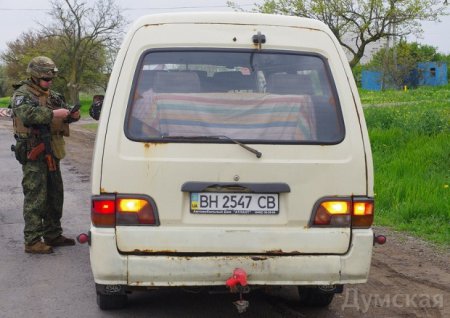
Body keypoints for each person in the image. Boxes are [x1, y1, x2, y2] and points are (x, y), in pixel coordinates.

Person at [11, 56, 81, 254]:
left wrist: (72, 116)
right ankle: (32, 241)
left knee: (55, 193)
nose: (49, 82)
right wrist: (53, 114)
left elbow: (64, 113)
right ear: (34, 76)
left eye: (51, 79)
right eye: (45, 79)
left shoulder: (53, 95)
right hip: (34, 150)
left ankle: (53, 234)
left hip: (52, 149)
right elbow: (27, 115)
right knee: (35, 195)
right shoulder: (22, 94)